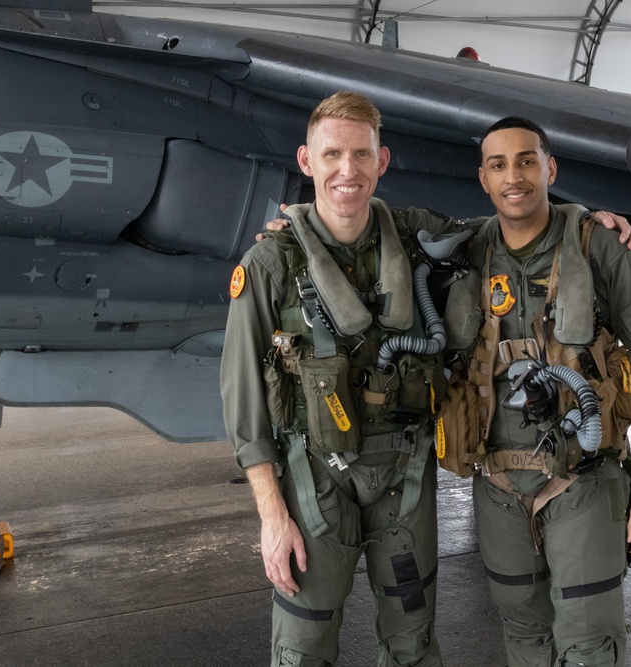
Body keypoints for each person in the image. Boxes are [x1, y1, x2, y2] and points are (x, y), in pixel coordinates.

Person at [221, 91, 458, 666]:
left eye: (360, 155)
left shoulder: (419, 238)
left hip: (405, 479)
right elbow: (245, 403)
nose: (346, 170)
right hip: (313, 485)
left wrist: (587, 220)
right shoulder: (271, 264)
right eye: (331, 155)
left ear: (383, 160)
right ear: (307, 162)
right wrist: (273, 519)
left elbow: (514, 230)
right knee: (302, 646)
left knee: (413, 640)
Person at [457, 116, 631, 666]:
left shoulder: (600, 246)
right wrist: (293, 228)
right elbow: (367, 225)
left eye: (526, 160)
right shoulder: (468, 250)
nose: (513, 176)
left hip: (584, 483)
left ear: (550, 168)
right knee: (524, 639)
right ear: (484, 179)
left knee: (589, 647)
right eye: (498, 165)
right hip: (496, 488)